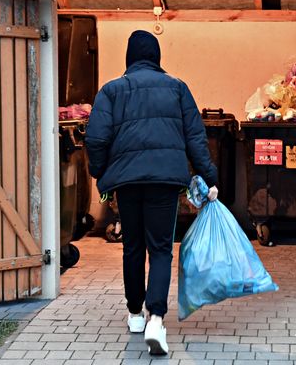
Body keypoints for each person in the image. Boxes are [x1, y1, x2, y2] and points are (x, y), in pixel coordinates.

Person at [85, 30, 218, 355]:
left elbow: (96, 138)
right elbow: (195, 139)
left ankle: (134, 314)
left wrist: (100, 172)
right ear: (157, 56)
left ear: (129, 57)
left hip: (127, 183)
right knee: (160, 249)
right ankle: (156, 318)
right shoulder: (177, 88)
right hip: (164, 181)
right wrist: (210, 177)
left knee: (132, 246)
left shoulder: (112, 90)